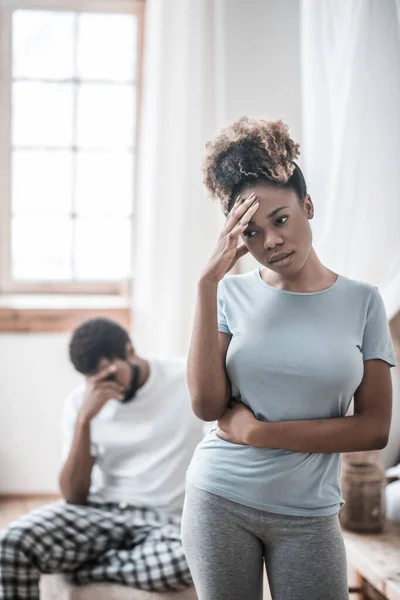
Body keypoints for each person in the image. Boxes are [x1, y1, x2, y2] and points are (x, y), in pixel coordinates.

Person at [181, 117, 397, 600]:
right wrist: (205, 283)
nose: (271, 241)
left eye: (280, 219)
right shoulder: (227, 295)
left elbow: (373, 428)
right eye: (251, 234)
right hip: (219, 498)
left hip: (310, 513)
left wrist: (260, 433)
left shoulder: (364, 301)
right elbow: (206, 405)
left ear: (308, 205)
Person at [0, 317, 203, 598]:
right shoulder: (81, 403)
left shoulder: (186, 378)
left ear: (129, 350)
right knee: (11, 543)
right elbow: (73, 496)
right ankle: (101, 562)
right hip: (98, 512)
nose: (105, 387)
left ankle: (80, 569)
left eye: (109, 374)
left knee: (191, 558)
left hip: (163, 521)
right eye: (91, 379)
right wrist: (85, 420)